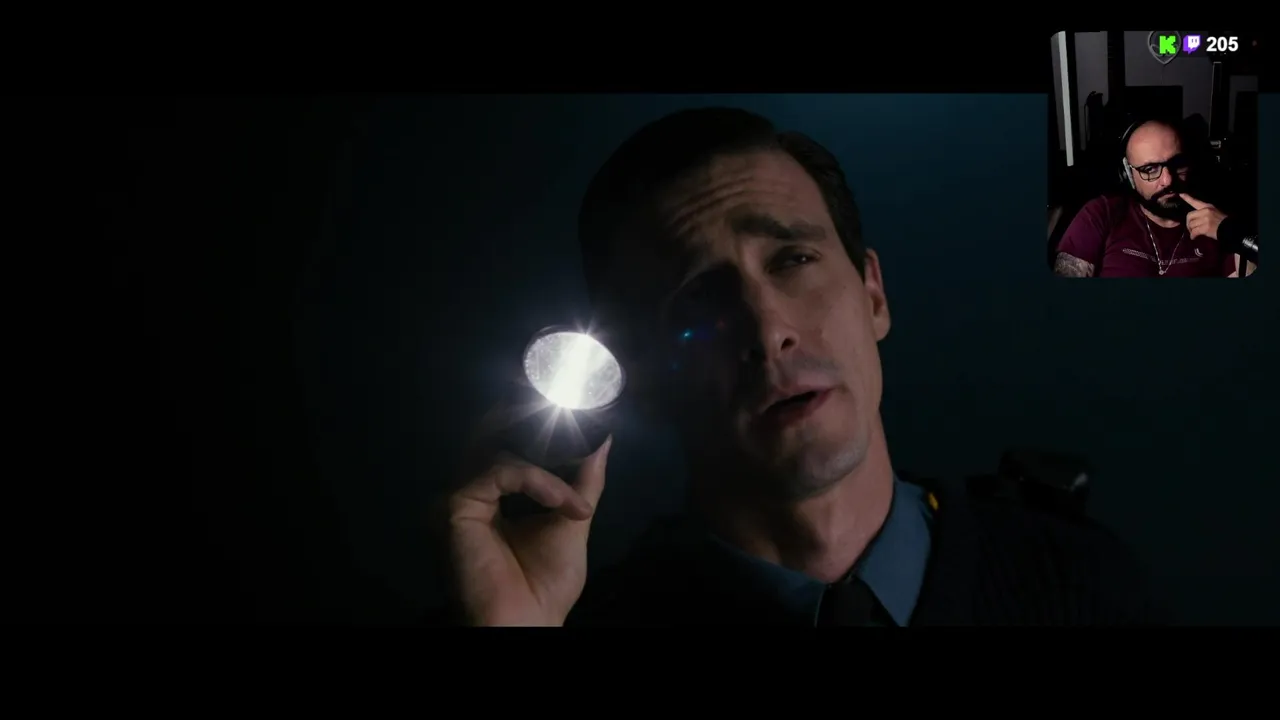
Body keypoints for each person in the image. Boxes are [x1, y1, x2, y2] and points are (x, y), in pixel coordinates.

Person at [441, 108, 1163, 626]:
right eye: (700, 299)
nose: (769, 330)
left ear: (873, 295)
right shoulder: (579, 618)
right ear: (644, 377)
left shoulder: (1081, 584)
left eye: (793, 259)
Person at [1054, 119, 1255, 278]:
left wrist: (1233, 233)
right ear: (1128, 175)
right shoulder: (1101, 214)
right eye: (1150, 169)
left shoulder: (1218, 222)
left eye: (1177, 164)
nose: (1168, 180)